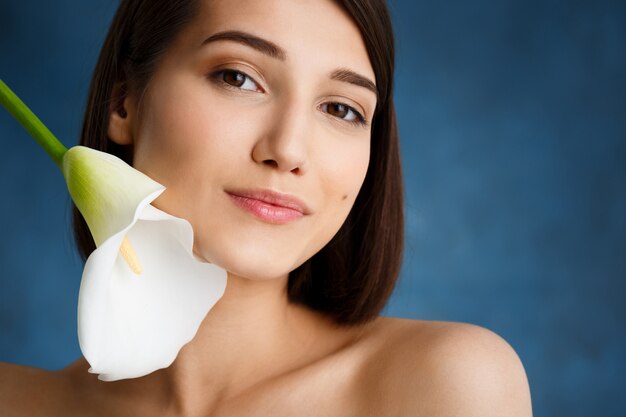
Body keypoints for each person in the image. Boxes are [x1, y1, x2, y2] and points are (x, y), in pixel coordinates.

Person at [0, 0, 533, 415]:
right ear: (124, 101)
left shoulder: (447, 384)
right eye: (238, 77)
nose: (288, 150)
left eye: (341, 109)